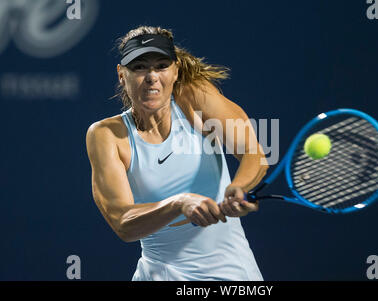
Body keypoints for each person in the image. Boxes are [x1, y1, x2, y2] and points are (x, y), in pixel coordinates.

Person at [85, 25, 268, 281]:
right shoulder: (106, 135)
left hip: (232, 278)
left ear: (176, 70)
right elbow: (123, 223)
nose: (151, 77)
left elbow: (254, 153)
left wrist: (238, 188)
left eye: (161, 66)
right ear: (121, 74)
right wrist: (179, 203)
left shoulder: (194, 98)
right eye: (139, 67)